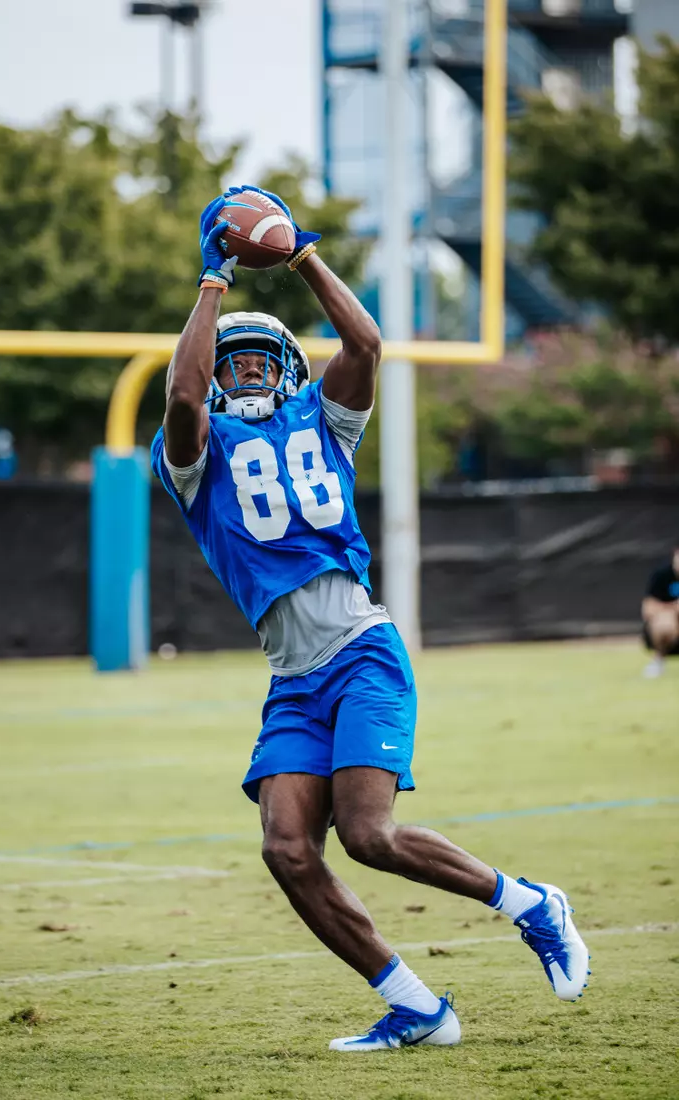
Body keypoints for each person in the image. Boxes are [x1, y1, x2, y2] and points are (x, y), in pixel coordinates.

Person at [151, 187, 589, 1052]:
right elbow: (180, 401)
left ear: (284, 374)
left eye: (255, 362)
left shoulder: (328, 423)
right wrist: (214, 284)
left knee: (368, 834)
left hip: (360, 651)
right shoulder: (198, 461)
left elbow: (366, 343)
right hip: (292, 676)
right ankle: (418, 1007)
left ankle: (532, 904)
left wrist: (301, 252)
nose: (240, 373)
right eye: (229, 364)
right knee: (286, 849)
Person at [642, 542, 679, 679]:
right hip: (670, 625)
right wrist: (674, 608)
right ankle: (658, 661)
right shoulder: (662, 576)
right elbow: (648, 609)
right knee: (664, 623)